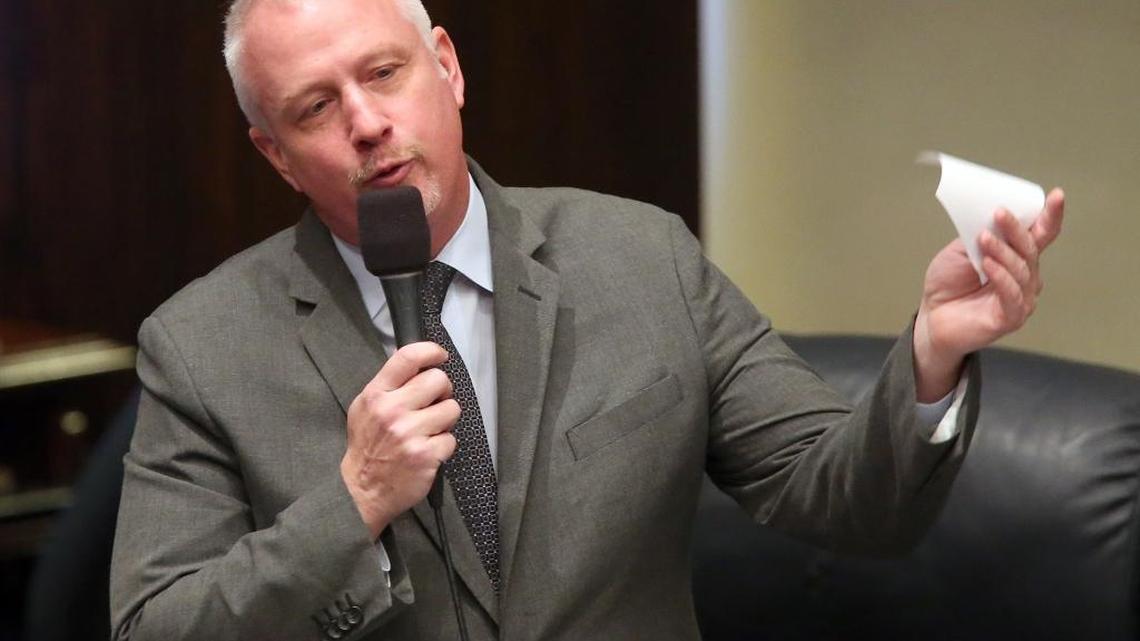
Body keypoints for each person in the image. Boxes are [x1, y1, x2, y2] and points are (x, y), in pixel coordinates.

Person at [109, 0, 1064, 639]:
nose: (366, 123)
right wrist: (351, 501)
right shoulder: (200, 349)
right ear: (275, 155)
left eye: (385, 73)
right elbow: (155, 624)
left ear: (447, 68)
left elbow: (846, 500)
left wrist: (932, 354)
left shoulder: (639, 257)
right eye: (317, 106)